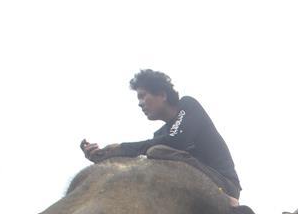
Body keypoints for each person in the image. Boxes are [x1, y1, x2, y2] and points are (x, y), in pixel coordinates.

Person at [80, 69, 241, 203]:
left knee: (157, 152)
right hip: (189, 181)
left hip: (224, 182)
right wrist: (105, 157)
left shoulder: (188, 106)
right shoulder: (160, 134)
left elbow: (177, 141)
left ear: (163, 95)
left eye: (143, 96)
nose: (140, 103)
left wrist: (121, 147)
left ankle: (222, 198)